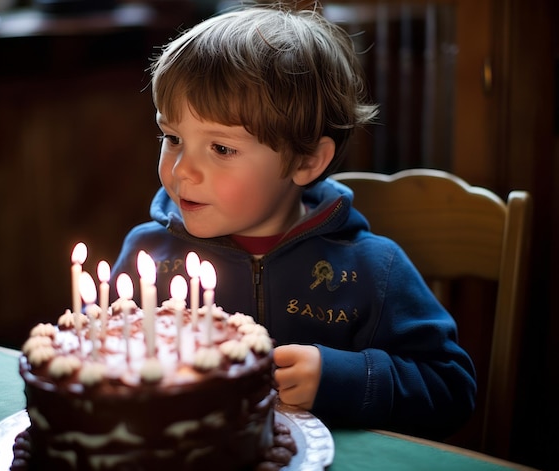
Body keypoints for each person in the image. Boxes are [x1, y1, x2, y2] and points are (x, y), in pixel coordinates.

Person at [111, 3, 476, 439]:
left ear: (306, 161)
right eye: (172, 138)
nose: (181, 170)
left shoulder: (370, 269)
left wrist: (340, 377)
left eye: (221, 149)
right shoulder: (149, 256)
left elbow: (452, 387)